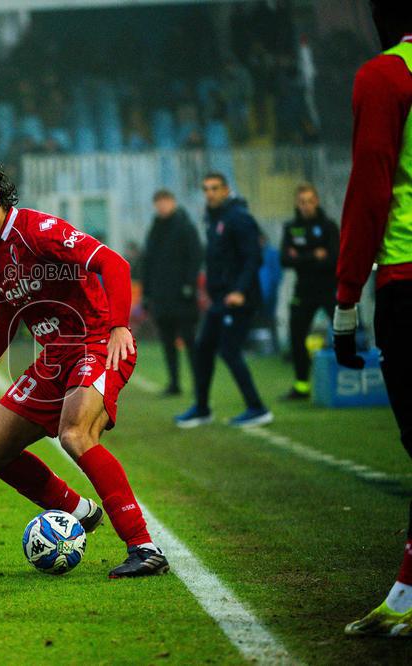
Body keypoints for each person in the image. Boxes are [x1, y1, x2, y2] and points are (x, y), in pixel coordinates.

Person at [0, 157, 169, 579]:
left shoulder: (39, 231)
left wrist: (121, 325)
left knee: (75, 434)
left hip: (96, 341)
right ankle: (78, 511)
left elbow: (114, 264)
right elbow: (4, 314)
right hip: (54, 358)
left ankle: (144, 546)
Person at [335, 0, 412, 637]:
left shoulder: (387, 74)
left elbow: (371, 186)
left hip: (407, 275)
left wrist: (345, 295)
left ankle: (407, 596)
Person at [175, 173, 272, 428]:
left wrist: (239, 290)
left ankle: (257, 407)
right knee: (203, 349)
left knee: (229, 351)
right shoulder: (214, 218)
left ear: (226, 190)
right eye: (206, 188)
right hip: (221, 299)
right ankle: (202, 408)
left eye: (215, 188)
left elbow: (253, 258)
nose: (210, 193)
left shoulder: (239, 218)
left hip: (238, 298)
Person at [279, 183, 338, 400]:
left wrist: (300, 257)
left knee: (346, 333)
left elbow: (334, 259)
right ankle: (301, 385)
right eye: (301, 202)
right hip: (303, 291)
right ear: (297, 203)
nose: (305, 206)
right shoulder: (290, 227)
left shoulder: (328, 226)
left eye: (309, 201)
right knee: (296, 337)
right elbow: (284, 260)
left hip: (329, 289)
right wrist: (315, 255)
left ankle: (350, 379)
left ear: (317, 201)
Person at [140, 190, 202, 396]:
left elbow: (196, 256)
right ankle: (174, 383)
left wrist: (189, 285)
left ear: (173, 202)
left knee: (190, 341)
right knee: (167, 342)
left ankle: (199, 382)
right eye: (158, 203)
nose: (161, 206)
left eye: (164, 202)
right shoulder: (155, 229)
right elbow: (147, 263)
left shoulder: (185, 227)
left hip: (182, 298)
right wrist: (147, 294)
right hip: (161, 297)